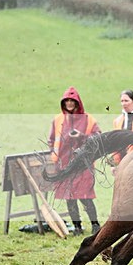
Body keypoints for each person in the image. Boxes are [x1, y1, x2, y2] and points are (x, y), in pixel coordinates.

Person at [48, 87, 101, 235]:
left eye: (72, 100)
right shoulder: (57, 119)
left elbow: (98, 138)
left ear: (78, 102)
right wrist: (55, 156)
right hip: (64, 165)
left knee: (85, 196)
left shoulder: (89, 119)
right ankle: (77, 227)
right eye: (67, 101)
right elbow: (51, 140)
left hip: (84, 164)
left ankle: (95, 225)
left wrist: (81, 136)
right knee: (69, 197)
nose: (69, 103)